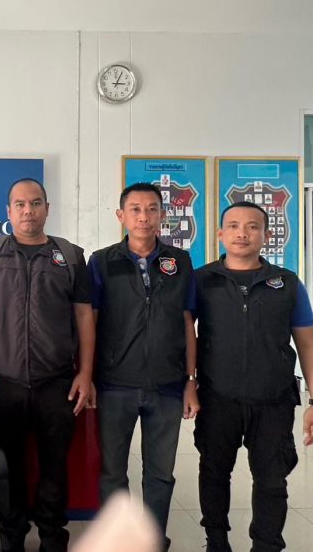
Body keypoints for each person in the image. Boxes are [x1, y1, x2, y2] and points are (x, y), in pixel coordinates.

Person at [194, 201, 313, 552]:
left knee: (271, 480)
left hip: (273, 400)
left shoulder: (286, 283)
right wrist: (188, 384)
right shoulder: (201, 281)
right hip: (217, 398)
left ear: (266, 236)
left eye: (252, 226)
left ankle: (267, 545)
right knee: (214, 473)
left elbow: (309, 345)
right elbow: (181, 335)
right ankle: (216, 541)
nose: (242, 233)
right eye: (234, 226)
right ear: (220, 234)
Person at [0, 177, 95, 552]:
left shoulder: (70, 256)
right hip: (2, 382)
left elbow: (84, 315)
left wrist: (85, 373)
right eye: (20, 204)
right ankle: (12, 537)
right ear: (8, 212)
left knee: (54, 467)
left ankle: (52, 538)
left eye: (36, 203)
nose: (28, 211)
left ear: (47, 209)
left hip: (56, 383)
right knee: (10, 468)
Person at [88, 182, 200, 551]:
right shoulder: (101, 262)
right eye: (135, 209)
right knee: (112, 473)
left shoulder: (180, 262)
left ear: (162, 215)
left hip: (167, 384)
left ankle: (152, 541)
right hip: (114, 384)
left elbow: (187, 322)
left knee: (160, 474)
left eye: (152, 209)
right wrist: (88, 376)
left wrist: (190, 380)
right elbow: (89, 322)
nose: (144, 216)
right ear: (121, 215)